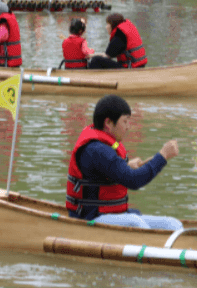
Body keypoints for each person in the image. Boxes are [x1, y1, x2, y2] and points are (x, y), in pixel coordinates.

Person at [66, 94, 183, 230]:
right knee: (136, 223)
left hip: (112, 215)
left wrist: (126, 166)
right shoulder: (97, 150)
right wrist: (162, 156)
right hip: (91, 217)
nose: (128, 127)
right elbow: (134, 180)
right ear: (108, 123)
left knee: (174, 224)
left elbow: (109, 170)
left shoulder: (104, 147)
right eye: (125, 121)